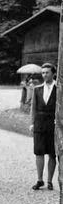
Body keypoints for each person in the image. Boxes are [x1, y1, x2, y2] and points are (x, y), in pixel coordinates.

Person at [30, 62, 57, 190]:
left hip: (53, 124)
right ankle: (39, 179)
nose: (44, 75)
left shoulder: (59, 88)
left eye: (47, 72)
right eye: (43, 73)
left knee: (52, 153)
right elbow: (33, 108)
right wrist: (32, 123)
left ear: (53, 73)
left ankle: (50, 181)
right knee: (39, 152)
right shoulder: (37, 89)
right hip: (39, 124)